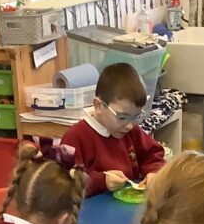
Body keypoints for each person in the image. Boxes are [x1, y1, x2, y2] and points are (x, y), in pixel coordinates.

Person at [62, 63, 166, 197]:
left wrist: (154, 173)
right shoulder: (76, 137)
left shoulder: (131, 130)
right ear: (98, 106)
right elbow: (66, 185)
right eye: (122, 117)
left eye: (136, 117)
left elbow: (153, 155)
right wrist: (101, 181)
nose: (129, 125)